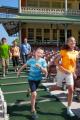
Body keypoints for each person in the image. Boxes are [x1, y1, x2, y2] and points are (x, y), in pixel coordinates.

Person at [49, 36, 79, 117]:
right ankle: (50, 89)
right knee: (58, 87)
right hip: (61, 71)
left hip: (69, 73)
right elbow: (56, 61)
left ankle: (68, 108)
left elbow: (74, 63)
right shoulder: (63, 51)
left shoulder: (76, 52)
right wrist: (61, 68)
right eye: (71, 41)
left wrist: (74, 72)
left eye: (74, 41)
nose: (73, 43)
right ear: (67, 43)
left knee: (71, 89)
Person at [17, 47, 47, 119]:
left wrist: (40, 67)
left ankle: (29, 90)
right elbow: (24, 65)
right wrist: (19, 71)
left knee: (32, 91)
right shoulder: (31, 60)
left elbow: (46, 71)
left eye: (41, 53)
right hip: (31, 79)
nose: (39, 54)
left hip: (38, 79)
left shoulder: (43, 61)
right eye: (38, 52)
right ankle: (33, 110)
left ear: (43, 54)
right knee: (34, 94)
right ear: (35, 53)